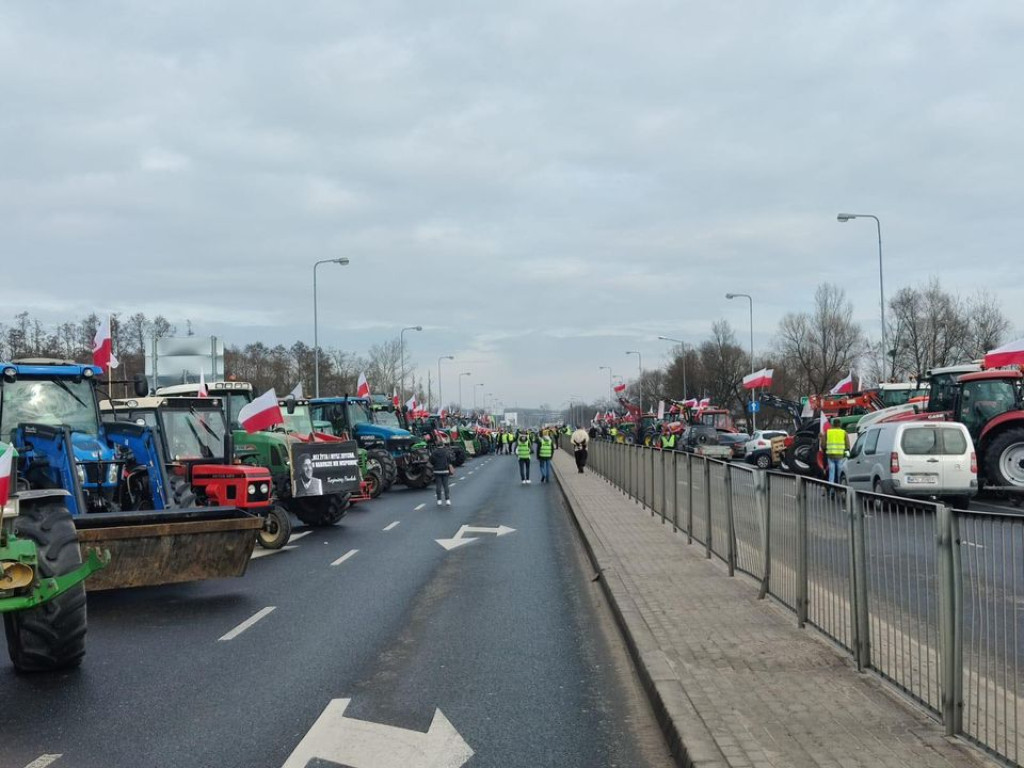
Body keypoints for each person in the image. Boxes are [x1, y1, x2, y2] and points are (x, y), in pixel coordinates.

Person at [429, 441, 455, 506]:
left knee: (438, 486)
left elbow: (431, 461)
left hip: (437, 471)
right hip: (445, 470)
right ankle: (447, 500)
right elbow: (450, 460)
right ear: (442, 445)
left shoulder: (434, 452)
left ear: (437, 445)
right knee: (446, 486)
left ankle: (439, 500)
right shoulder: (446, 452)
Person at [824, 420, 847, 485]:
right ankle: (840, 486)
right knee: (840, 472)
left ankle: (831, 488)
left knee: (831, 472)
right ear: (840, 424)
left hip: (830, 455)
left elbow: (823, 444)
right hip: (840, 456)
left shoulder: (828, 432)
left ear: (833, 424)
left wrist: (826, 449)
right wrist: (847, 455)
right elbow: (847, 445)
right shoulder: (843, 432)